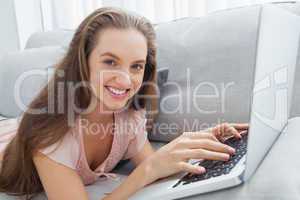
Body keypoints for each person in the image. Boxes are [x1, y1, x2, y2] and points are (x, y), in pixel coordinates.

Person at [0, 7, 248, 200]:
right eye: (110, 62)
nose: (125, 79)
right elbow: (147, 170)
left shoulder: (127, 117)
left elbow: (156, 167)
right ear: (83, 62)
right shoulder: (50, 134)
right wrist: (146, 172)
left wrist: (196, 145)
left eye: (136, 66)